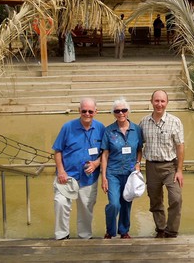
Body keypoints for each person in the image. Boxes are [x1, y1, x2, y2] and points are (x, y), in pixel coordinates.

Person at [52, 97, 105, 240]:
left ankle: (85, 237)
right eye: (84, 111)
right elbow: (58, 151)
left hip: (88, 179)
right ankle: (62, 236)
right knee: (61, 203)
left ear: (96, 111)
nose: (87, 114)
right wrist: (61, 171)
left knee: (86, 210)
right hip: (67, 177)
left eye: (90, 111)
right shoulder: (67, 127)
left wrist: (96, 163)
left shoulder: (101, 128)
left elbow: (106, 153)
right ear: (79, 111)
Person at [139, 90, 185, 238]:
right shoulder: (143, 122)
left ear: (167, 103)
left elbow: (180, 146)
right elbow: (138, 146)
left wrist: (179, 170)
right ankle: (160, 228)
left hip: (170, 166)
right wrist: (137, 164)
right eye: (156, 101)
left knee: (176, 198)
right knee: (155, 200)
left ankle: (171, 230)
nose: (159, 104)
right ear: (151, 101)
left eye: (162, 101)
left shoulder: (175, 121)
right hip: (151, 166)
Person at [101, 98, 143, 239]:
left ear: (128, 112)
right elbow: (105, 154)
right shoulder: (109, 131)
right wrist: (104, 178)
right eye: (117, 111)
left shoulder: (136, 129)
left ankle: (124, 231)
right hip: (113, 172)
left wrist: (138, 163)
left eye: (123, 110)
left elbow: (139, 149)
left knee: (126, 203)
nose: (121, 113)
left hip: (130, 172)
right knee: (114, 204)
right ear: (114, 113)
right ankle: (110, 231)